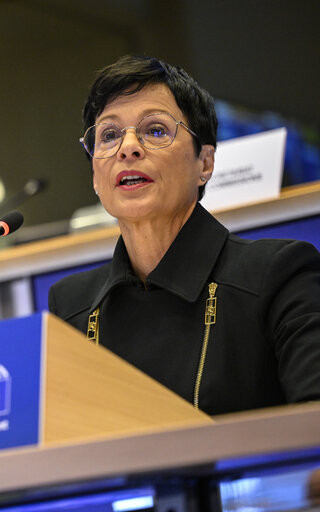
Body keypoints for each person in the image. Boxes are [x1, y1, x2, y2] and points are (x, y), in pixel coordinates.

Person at [48, 55, 320, 415]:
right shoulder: (71, 308)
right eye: (109, 135)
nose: (128, 148)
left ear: (204, 164)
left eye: (155, 130)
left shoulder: (279, 275)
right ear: (95, 178)